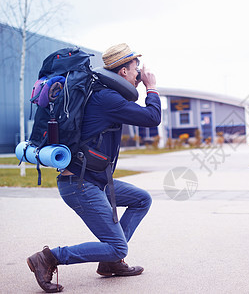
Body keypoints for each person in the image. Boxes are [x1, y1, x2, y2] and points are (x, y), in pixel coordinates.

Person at [27, 43, 161, 293]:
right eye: (135, 69)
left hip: (94, 179)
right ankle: (49, 258)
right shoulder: (106, 98)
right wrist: (151, 88)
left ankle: (111, 263)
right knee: (117, 245)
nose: (139, 74)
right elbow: (152, 118)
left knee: (141, 199)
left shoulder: (101, 93)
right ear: (123, 72)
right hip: (79, 184)